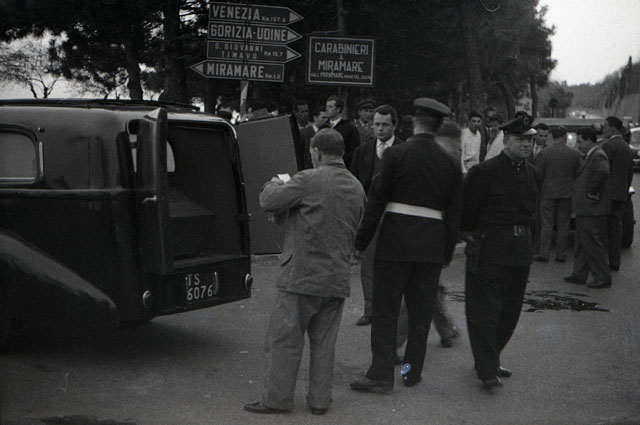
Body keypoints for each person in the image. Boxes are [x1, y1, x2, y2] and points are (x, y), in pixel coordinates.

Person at [244, 128, 366, 415]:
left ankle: (276, 399)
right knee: (324, 345)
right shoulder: (357, 188)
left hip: (300, 276)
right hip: (336, 278)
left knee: (284, 340)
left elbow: (269, 200)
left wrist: (274, 183)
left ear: (316, 152)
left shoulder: (308, 179)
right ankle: (320, 402)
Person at [349, 97, 463, 393]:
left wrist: (360, 244)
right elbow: (454, 215)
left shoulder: (395, 155)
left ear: (414, 123)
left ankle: (381, 375)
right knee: (421, 315)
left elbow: (376, 203)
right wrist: (445, 253)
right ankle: (411, 373)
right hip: (430, 249)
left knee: (386, 312)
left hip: (394, 244)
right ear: (438, 126)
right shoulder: (450, 164)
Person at [461, 114, 539, 389]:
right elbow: (466, 212)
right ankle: (486, 370)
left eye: (530, 140)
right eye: (520, 139)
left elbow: (533, 215)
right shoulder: (484, 172)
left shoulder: (532, 173)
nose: (527, 145)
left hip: (520, 251)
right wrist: (472, 238)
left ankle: (490, 358)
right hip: (490, 249)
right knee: (485, 311)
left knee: (510, 312)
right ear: (506, 140)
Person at [350, 104, 404, 327]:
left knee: (394, 265)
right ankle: (370, 309)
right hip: (369, 215)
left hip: (395, 216)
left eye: (385, 125)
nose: (380, 129)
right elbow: (354, 183)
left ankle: (392, 309)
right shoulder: (362, 152)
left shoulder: (403, 150)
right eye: (376, 124)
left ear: (394, 126)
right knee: (368, 264)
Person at [564, 127, 611, 288]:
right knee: (582, 243)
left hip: (592, 209)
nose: (578, 145)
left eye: (580, 142)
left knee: (592, 244)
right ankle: (579, 274)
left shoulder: (598, 155)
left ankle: (602, 276)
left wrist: (592, 191)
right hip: (586, 208)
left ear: (589, 140)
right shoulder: (591, 155)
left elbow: (602, 173)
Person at [534, 126, 581, 262]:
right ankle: (561, 254)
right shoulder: (574, 154)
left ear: (551, 137)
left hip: (547, 193)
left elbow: (538, 174)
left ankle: (544, 253)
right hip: (567, 193)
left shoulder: (545, 153)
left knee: (546, 224)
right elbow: (578, 174)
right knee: (563, 224)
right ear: (565, 137)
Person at [601, 116, 634, 271]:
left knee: (602, 229)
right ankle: (615, 261)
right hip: (621, 194)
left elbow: (603, 170)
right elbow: (629, 173)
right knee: (616, 228)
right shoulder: (627, 148)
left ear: (612, 127)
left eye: (605, 126)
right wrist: (624, 189)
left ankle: (602, 261)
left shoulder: (608, 146)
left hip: (607, 194)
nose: (604, 129)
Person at [326, 94, 362, 169]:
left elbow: (355, 150)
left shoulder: (350, 127)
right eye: (326, 106)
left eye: (330, 107)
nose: (327, 109)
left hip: (344, 167)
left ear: (338, 109)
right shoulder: (324, 127)